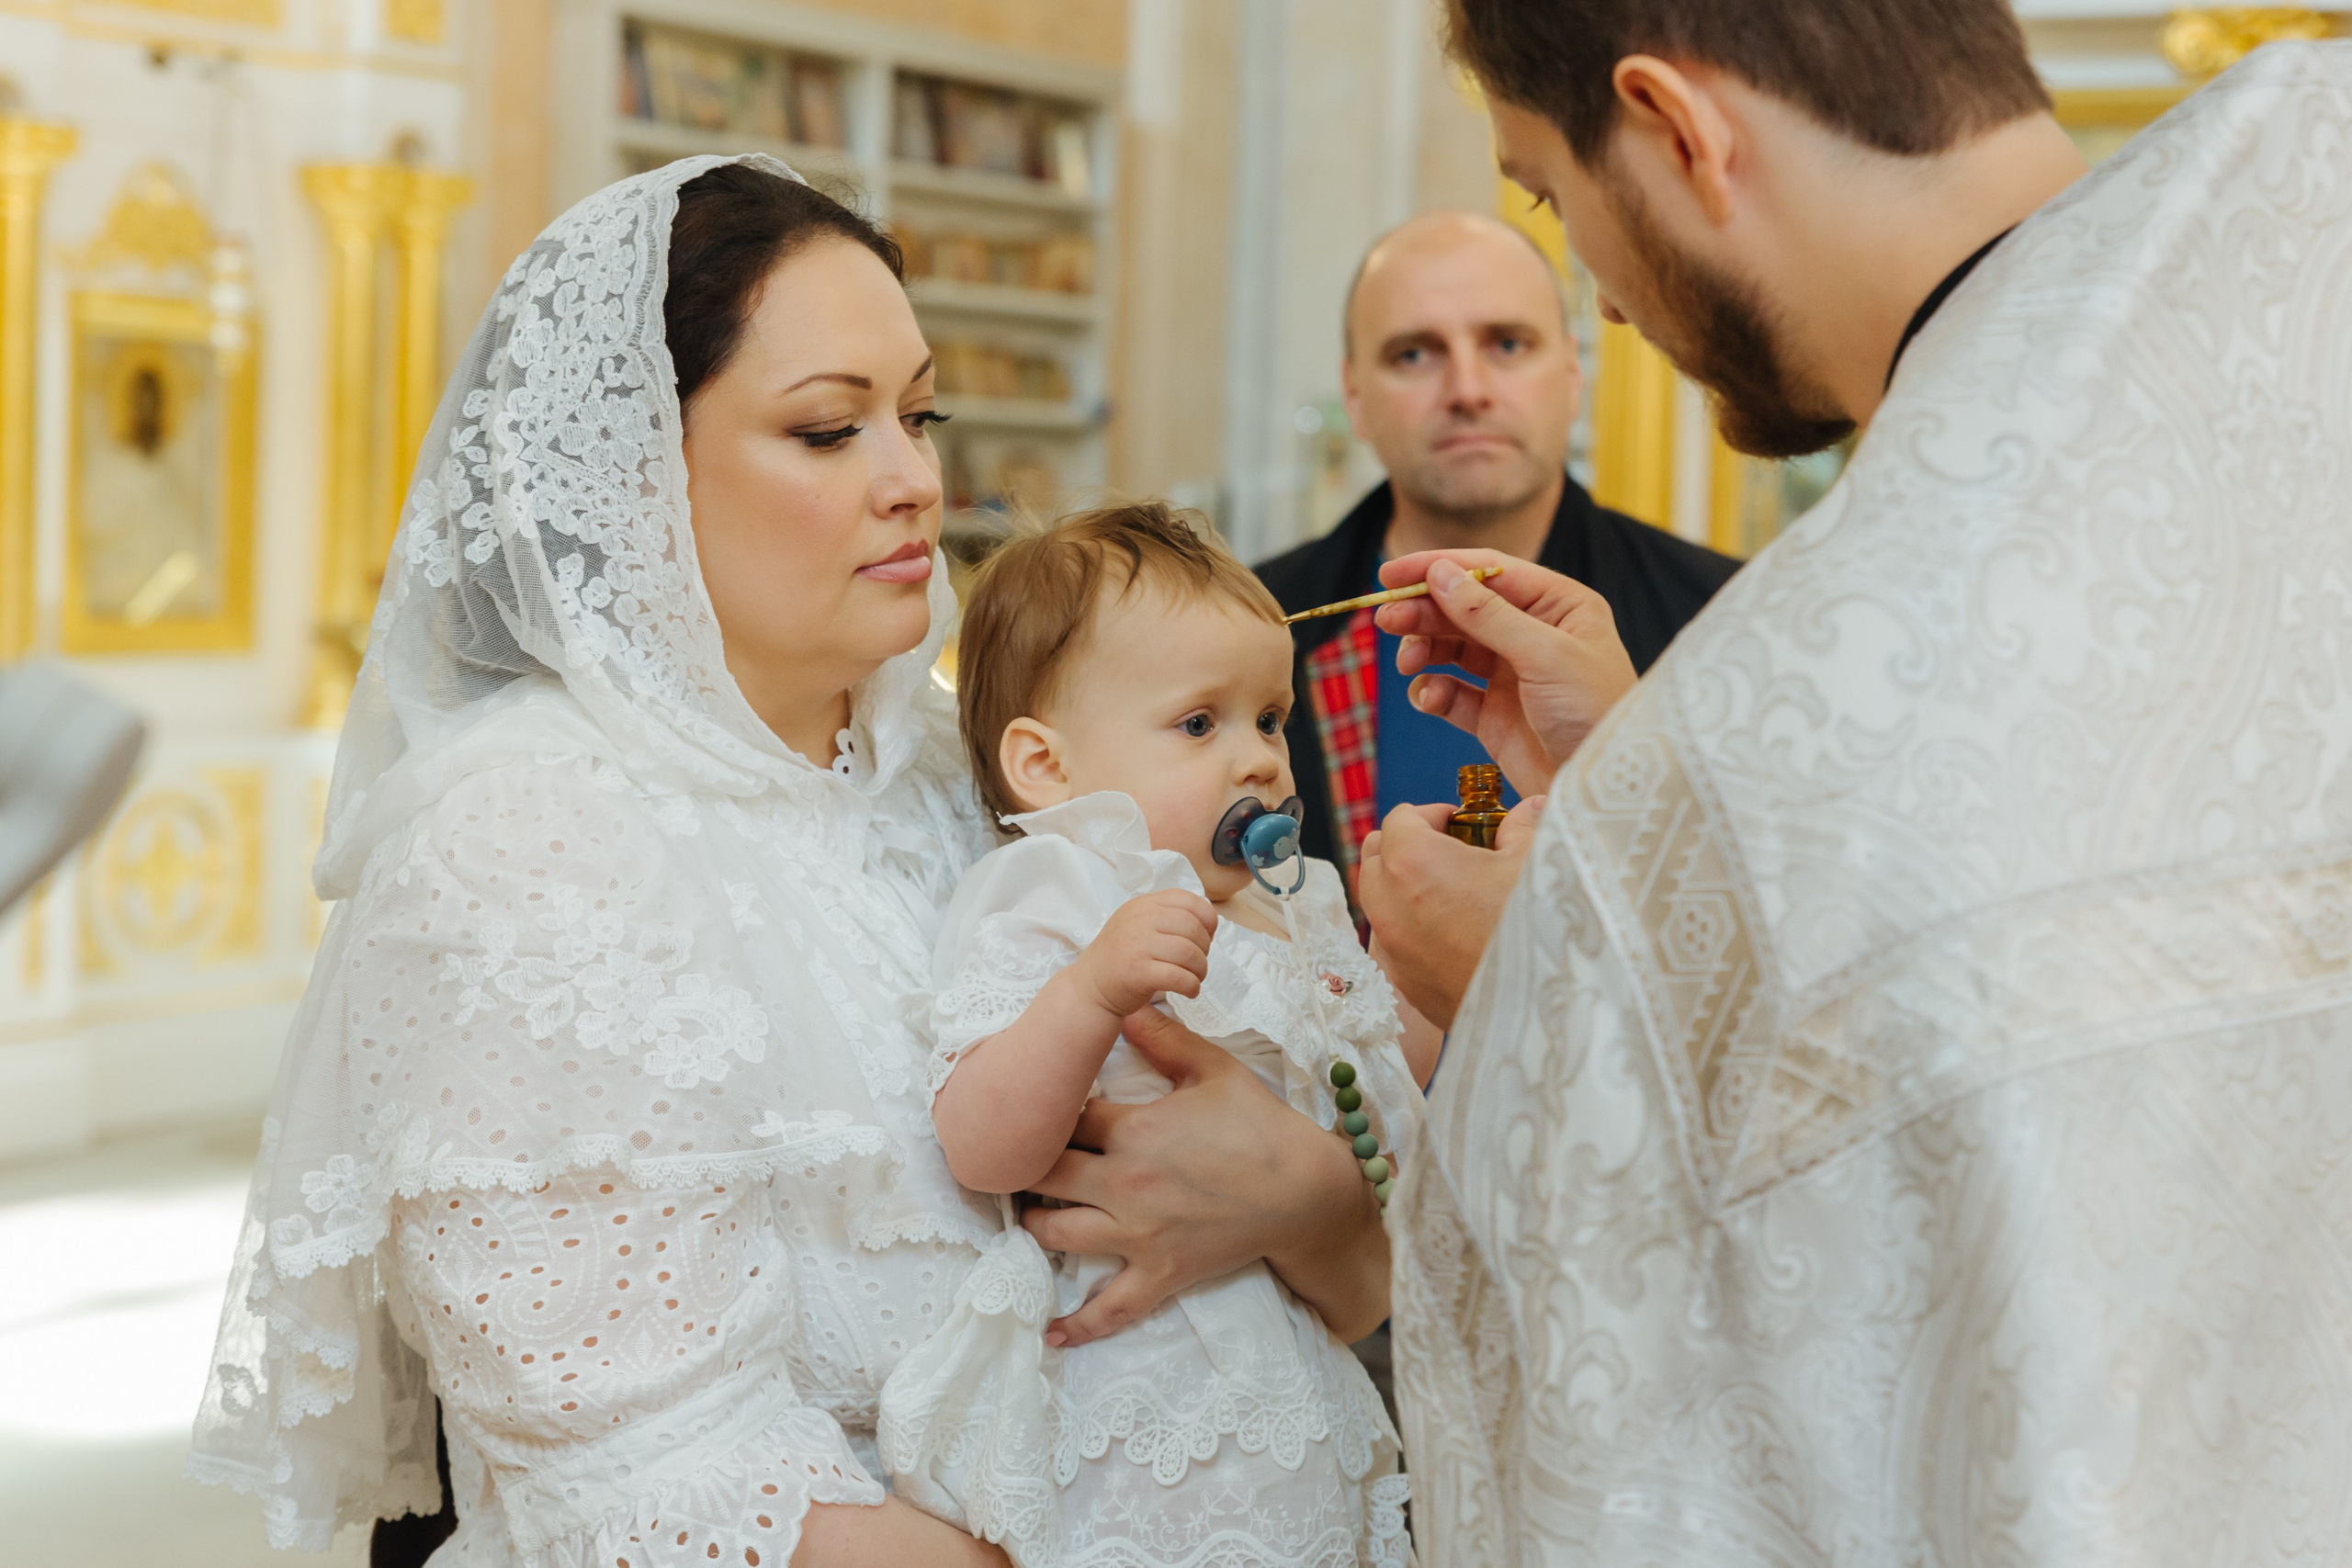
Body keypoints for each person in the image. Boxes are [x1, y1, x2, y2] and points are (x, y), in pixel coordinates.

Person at [187, 157, 1392, 1567]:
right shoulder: (523, 838)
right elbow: (659, 1476)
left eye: (920, 414)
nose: (915, 481)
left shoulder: (975, 770)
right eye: (829, 431)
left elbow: (1349, 1283)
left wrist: (1310, 1192)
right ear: (633, 468)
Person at [1352, 4, 2352, 1562]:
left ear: (1678, 131)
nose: (1604, 299)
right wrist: (1641, 791)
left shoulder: (1786, 702)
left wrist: (1543, 982)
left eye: (1554, 197)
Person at [876, 503, 1421, 1568]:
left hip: (1292, 1391)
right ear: (1045, 765)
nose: (1261, 762)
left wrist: (1401, 997)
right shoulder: (1055, 884)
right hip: (1128, 1406)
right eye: (1198, 725)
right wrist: (1086, 994)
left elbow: (1381, 1135)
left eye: (1270, 719)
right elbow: (983, 1145)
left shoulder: (1283, 911)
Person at [1254, 209, 1735, 879]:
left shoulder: (1725, 620)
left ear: (1573, 376)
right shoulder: (1253, 624)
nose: (1468, 391)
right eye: (1413, 354)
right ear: (1354, 396)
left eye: (1507, 344)